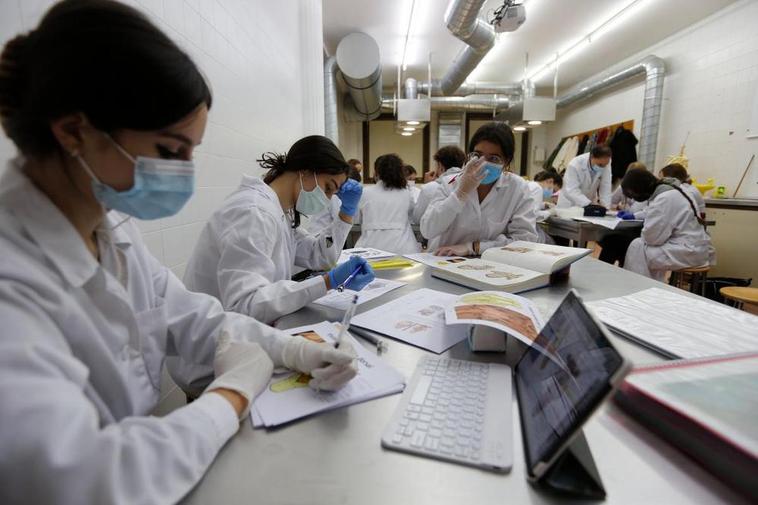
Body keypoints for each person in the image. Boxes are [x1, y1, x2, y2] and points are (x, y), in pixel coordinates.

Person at [0, 2, 358, 504]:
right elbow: (82, 478)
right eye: (171, 152)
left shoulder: (112, 229)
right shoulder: (12, 277)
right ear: (74, 131)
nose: (185, 172)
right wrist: (232, 395)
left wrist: (294, 351)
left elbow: (201, 319)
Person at [184, 135, 374, 324]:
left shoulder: (279, 213)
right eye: (327, 188)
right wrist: (327, 282)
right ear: (305, 171)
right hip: (210, 339)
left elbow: (320, 255)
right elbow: (245, 305)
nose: (327, 199)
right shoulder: (254, 213)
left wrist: (346, 212)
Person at [419, 122, 538, 256]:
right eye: (477, 155)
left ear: (506, 161)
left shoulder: (517, 188)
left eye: (494, 158)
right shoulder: (450, 183)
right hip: (443, 260)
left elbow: (525, 240)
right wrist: (460, 194)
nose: (483, 162)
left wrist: (475, 247)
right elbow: (427, 230)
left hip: (490, 265)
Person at [621, 168, 715, 281]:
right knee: (640, 246)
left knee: (637, 247)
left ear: (639, 188)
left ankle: (638, 289)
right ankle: (649, 288)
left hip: (689, 251)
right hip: (695, 247)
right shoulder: (676, 189)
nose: (634, 198)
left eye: (633, 194)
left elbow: (652, 239)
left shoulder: (664, 198)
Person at [354, 154, 420, 254]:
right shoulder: (406, 193)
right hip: (403, 248)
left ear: (376, 172)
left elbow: (356, 220)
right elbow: (413, 218)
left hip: (370, 248)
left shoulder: (365, 192)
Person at [303, 158, 362, 235]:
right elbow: (342, 218)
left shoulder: (339, 193)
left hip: (327, 237)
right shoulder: (336, 195)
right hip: (319, 236)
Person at [413, 145, 465, 223]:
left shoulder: (430, 188)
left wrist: (428, 186)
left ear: (440, 166)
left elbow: (418, 218)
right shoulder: (471, 184)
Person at [557, 145, 612, 209]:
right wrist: (589, 204)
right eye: (600, 165)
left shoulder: (606, 162)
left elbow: (606, 186)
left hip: (589, 203)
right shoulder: (574, 165)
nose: (602, 167)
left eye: (605, 165)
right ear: (591, 157)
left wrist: (606, 208)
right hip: (570, 204)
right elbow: (572, 190)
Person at [527, 170, 559, 244]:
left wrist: (544, 204)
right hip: (527, 228)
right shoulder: (538, 188)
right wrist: (550, 212)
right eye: (553, 190)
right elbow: (534, 215)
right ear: (549, 181)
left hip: (521, 225)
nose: (552, 192)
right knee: (551, 243)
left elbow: (529, 204)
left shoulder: (531, 184)